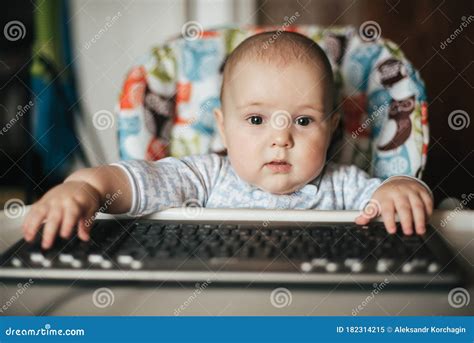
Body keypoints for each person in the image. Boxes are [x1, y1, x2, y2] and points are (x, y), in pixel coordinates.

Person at [23, 31, 433, 249]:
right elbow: (137, 181)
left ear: (333, 127)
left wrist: (402, 188)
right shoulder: (206, 178)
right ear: (222, 127)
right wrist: (85, 188)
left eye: (304, 121)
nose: (281, 138)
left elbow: (389, 200)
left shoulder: (341, 186)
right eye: (256, 119)